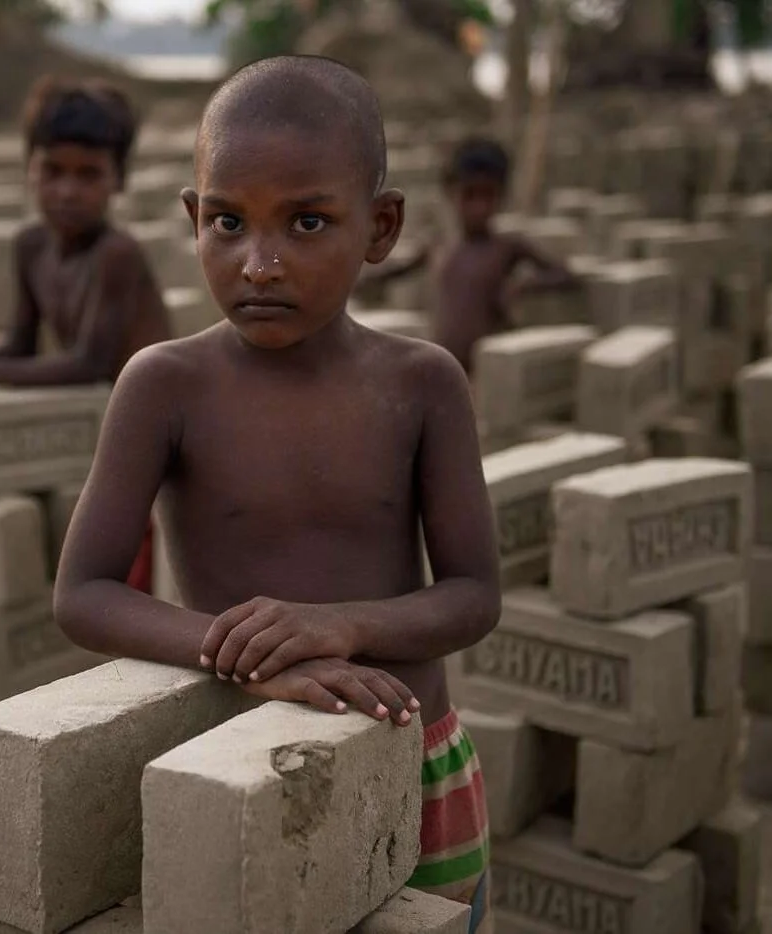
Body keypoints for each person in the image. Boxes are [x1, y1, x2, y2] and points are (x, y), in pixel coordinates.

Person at [53, 56, 500, 932]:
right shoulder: (163, 385)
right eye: (227, 221)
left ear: (380, 226)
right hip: (237, 758)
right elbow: (83, 594)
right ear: (191, 220)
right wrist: (254, 656)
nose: (259, 263)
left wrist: (341, 625)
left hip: (409, 753)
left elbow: (473, 596)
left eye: (305, 222)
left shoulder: (422, 385)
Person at [0, 76, 172, 594]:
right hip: (100, 423)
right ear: (29, 168)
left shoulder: (116, 254)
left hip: (152, 433)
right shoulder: (29, 247)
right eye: (52, 171)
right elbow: (18, 344)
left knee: (135, 578)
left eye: (88, 175)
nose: (67, 190)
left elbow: (86, 363)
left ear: (119, 180)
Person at [355, 136, 579, 374]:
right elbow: (401, 269)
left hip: (486, 372)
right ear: (451, 193)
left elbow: (566, 276)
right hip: (444, 365)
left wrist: (525, 284)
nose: (479, 207)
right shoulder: (439, 244)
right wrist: (363, 278)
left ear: (501, 197)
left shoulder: (507, 247)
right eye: (470, 195)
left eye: (488, 196)